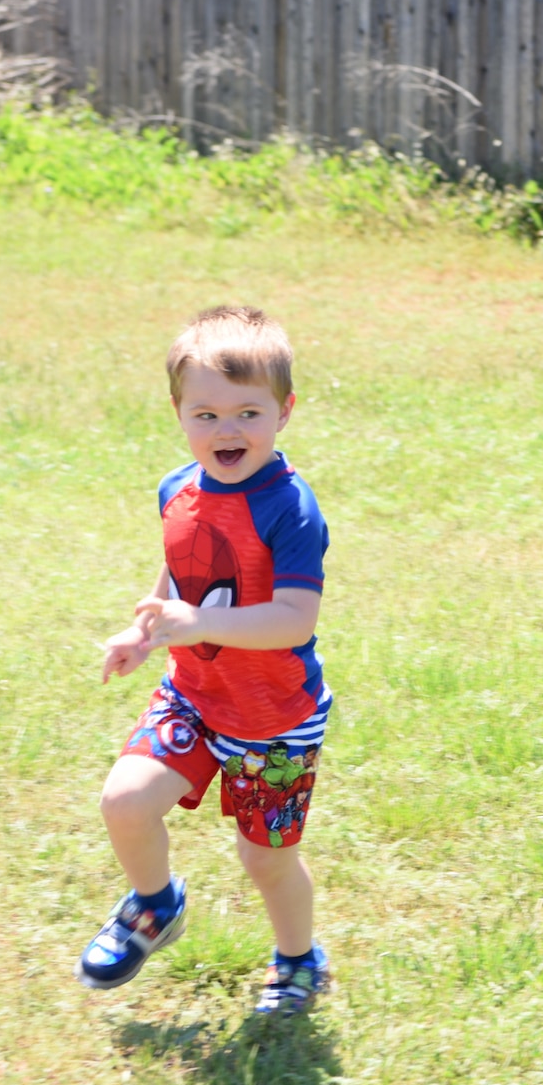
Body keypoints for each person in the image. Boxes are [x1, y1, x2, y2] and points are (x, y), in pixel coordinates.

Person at [80, 305, 336, 1009]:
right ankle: (155, 905)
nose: (227, 430)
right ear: (178, 412)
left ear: (285, 411)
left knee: (265, 859)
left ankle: (298, 960)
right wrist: (149, 629)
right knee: (124, 801)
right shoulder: (177, 489)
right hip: (193, 694)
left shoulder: (290, 508)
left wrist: (199, 621)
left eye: (248, 412)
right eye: (207, 413)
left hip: (273, 720)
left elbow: (294, 618)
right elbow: (181, 570)